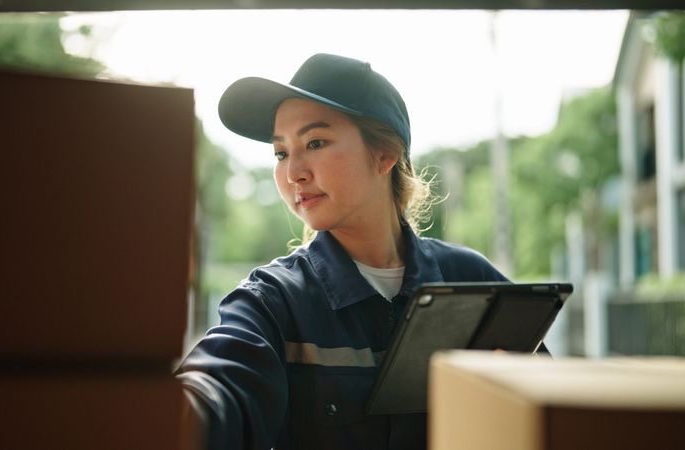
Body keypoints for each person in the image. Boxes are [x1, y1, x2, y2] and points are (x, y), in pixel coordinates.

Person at [176, 53, 511, 450]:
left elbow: (548, 407)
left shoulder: (473, 281)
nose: (292, 172)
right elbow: (216, 390)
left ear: (384, 153)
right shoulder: (273, 300)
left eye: (315, 142)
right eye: (281, 152)